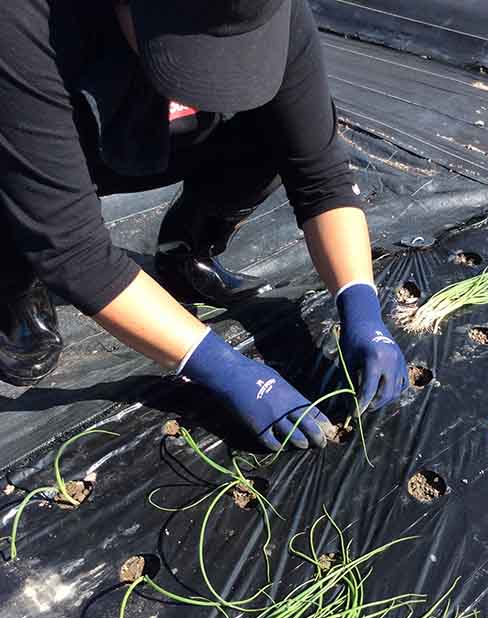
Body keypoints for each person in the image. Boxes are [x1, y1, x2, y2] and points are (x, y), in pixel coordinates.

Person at [0, 0, 408, 451]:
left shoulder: (270, 9)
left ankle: (184, 253)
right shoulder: (22, 20)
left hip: (153, 128)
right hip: (40, 142)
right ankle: (12, 289)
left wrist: (362, 308)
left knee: (274, 130)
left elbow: (321, 174)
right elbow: (75, 253)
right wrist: (223, 367)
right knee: (21, 206)